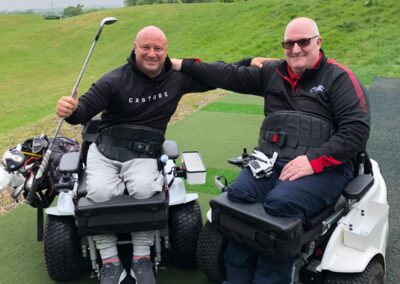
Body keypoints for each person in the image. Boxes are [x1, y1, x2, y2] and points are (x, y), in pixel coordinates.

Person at [171, 17, 370, 284]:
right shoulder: (272, 73)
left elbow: (355, 131)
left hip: (324, 167)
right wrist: (180, 64)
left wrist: (312, 161)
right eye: (289, 43)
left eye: (303, 42)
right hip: (271, 161)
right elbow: (225, 74)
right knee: (238, 198)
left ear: (318, 42)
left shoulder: (340, 78)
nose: (296, 49)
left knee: (280, 204)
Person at [56, 26, 213, 284]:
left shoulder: (177, 78)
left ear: (166, 51)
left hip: (144, 150)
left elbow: (217, 74)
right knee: (99, 193)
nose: (151, 53)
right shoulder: (114, 80)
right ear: (135, 47)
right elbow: (83, 110)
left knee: (144, 189)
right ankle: (109, 261)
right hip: (105, 149)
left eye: (158, 48)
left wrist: (249, 63)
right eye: (145, 47)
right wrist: (71, 110)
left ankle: (141, 257)